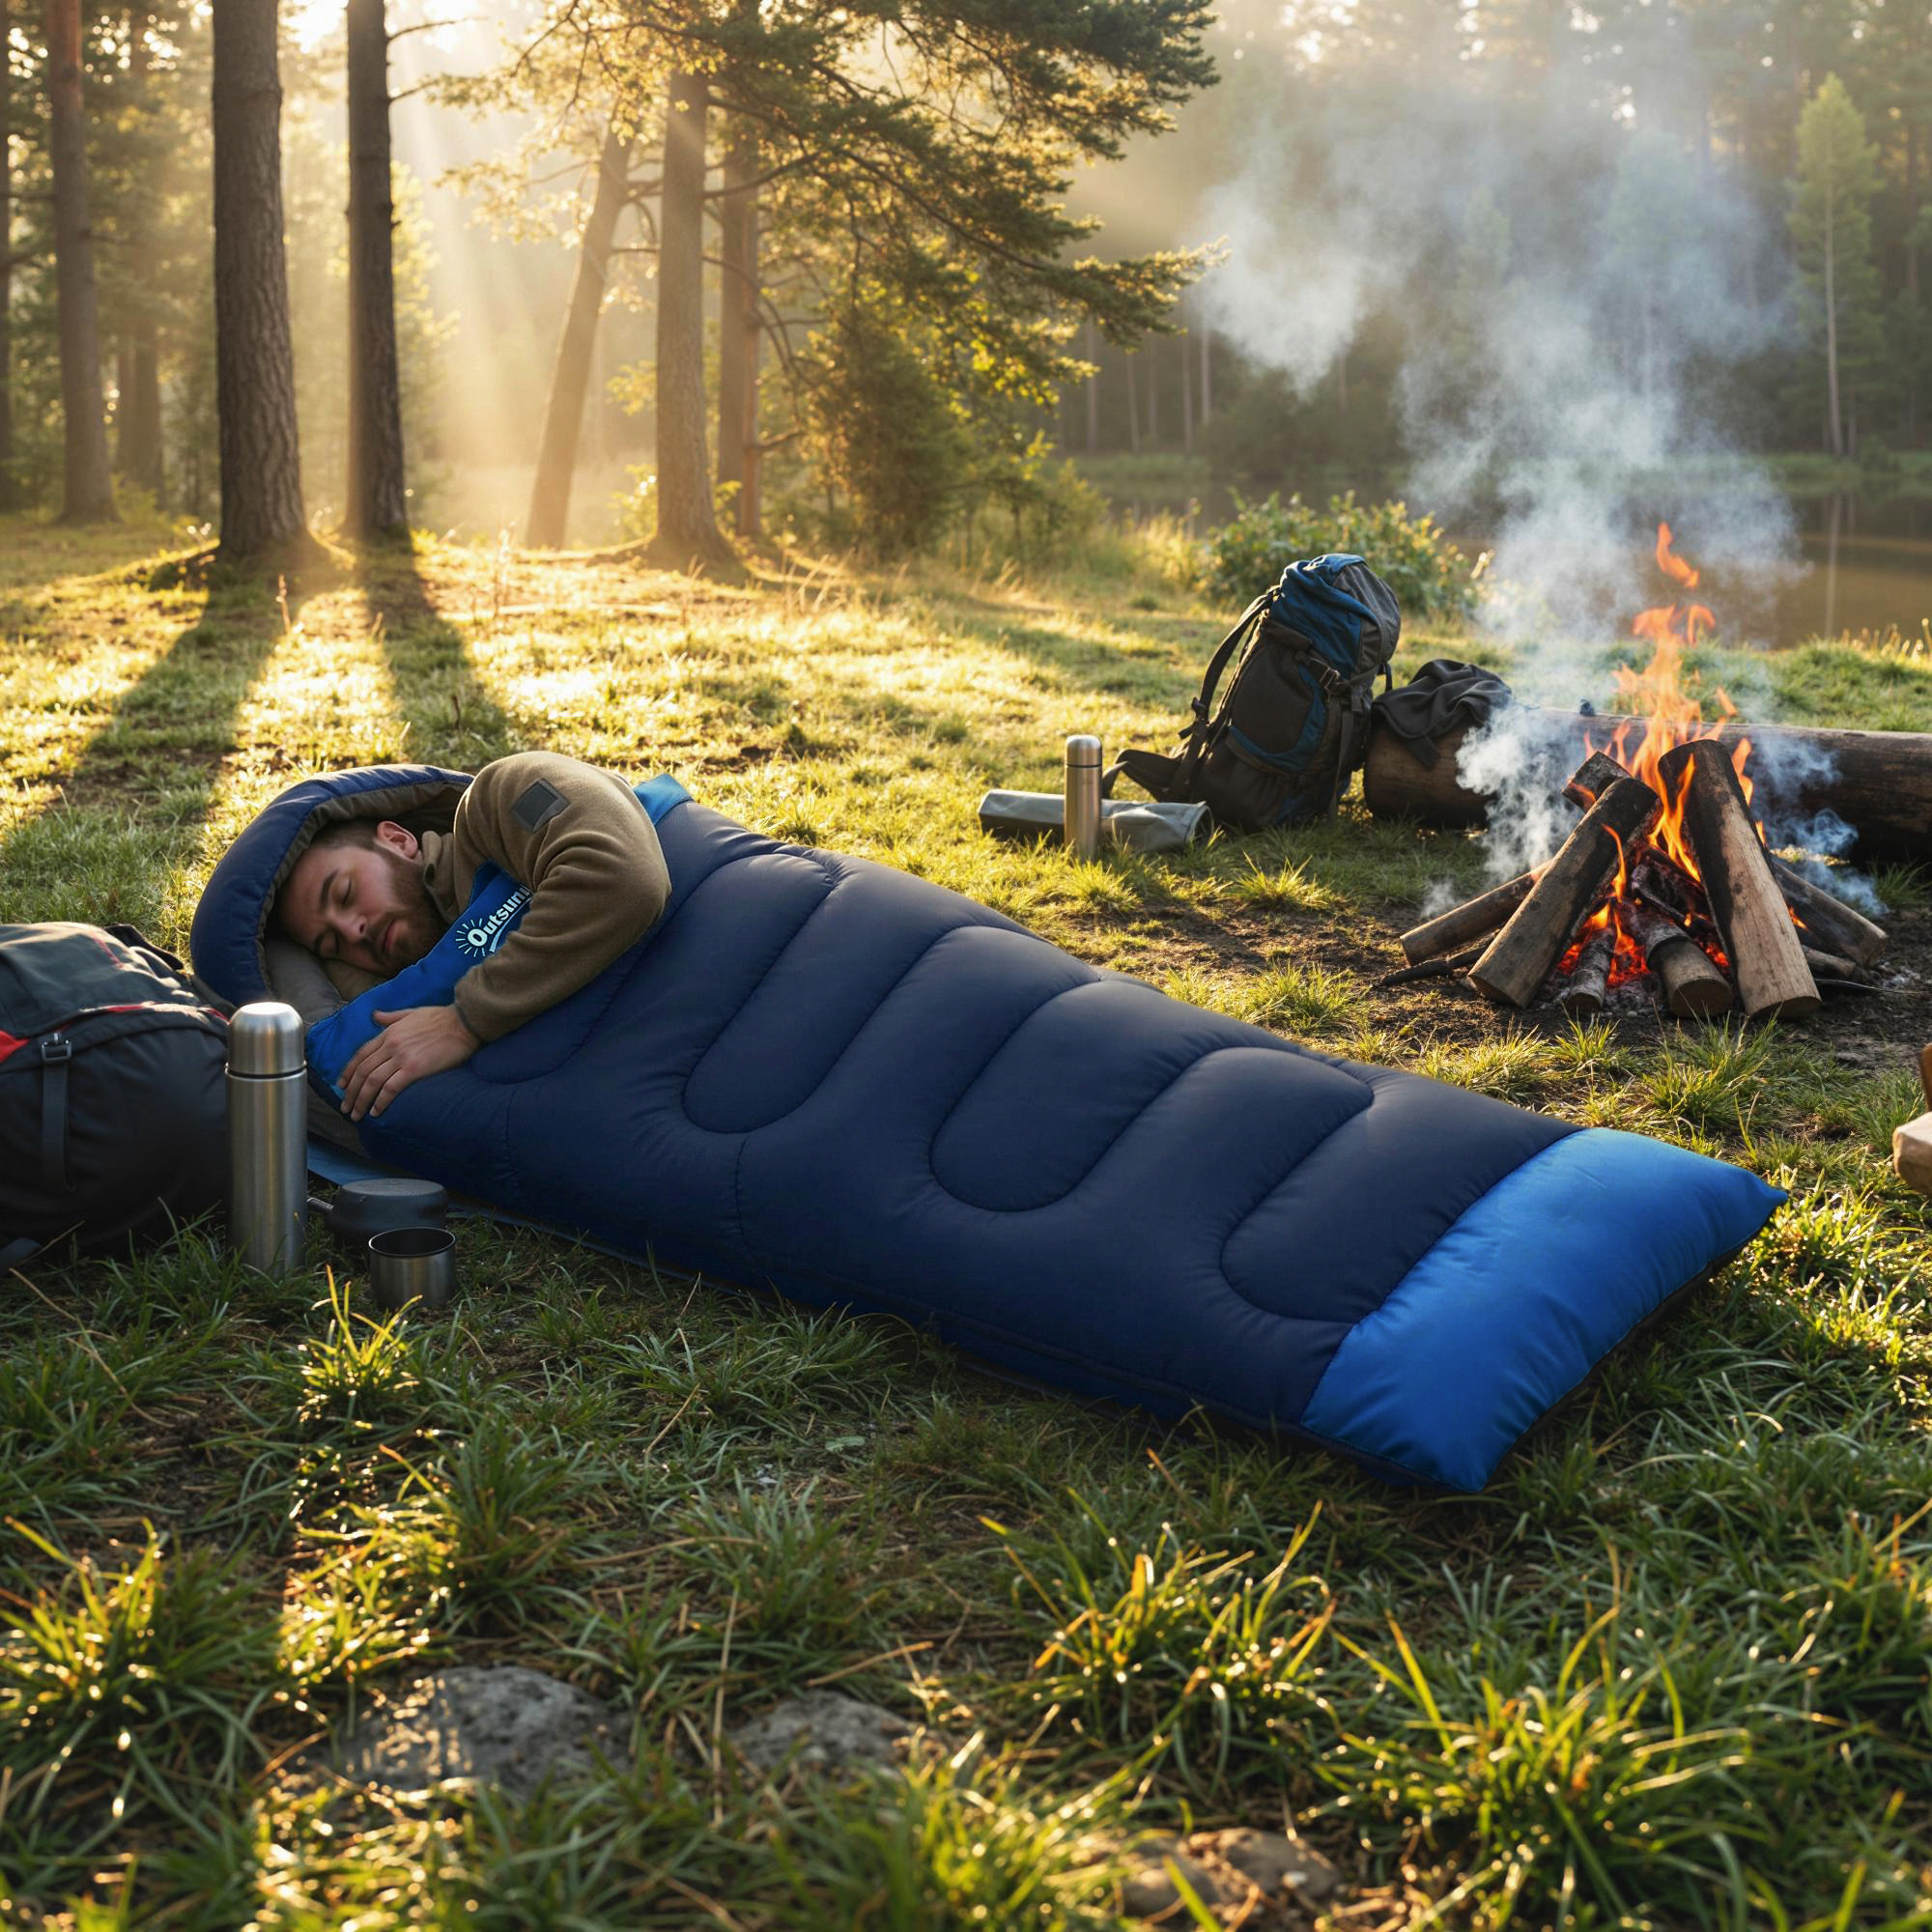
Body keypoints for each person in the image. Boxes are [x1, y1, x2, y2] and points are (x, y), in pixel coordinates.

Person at [275, 751, 670, 1123]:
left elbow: (623, 879)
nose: (352, 931)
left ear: (398, 840)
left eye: (345, 893)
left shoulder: (495, 800)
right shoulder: (415, 997)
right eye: (333, 945)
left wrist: (465, 1021)